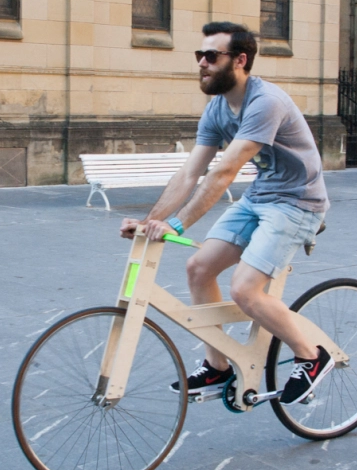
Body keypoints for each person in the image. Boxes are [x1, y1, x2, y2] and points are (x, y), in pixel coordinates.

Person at [119, 22, 331, 406]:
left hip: (298, 202)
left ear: (240, 60)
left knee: (245, 288)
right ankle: (218, 368)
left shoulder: (265, 102)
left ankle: (311, 356)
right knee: (198, 269)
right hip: (260, 197)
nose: (202, 62)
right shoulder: (217, 107)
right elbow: (190, 173)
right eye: (199, 55)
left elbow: (224, 172)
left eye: (212, 56)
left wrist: (177, 224)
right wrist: (150, 220)